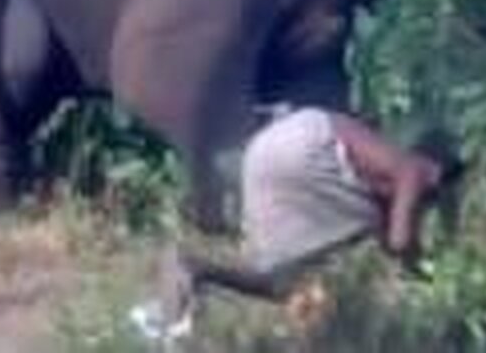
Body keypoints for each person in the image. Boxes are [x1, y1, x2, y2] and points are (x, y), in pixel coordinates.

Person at [130, 103, 466, 341]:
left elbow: (387, 239)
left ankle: (194, 266)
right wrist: (421, 266)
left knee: (282, 276)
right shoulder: (419, 170)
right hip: (308, 144)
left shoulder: (374, 171)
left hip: (265, 152)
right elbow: (400, 239)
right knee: (333, 261)